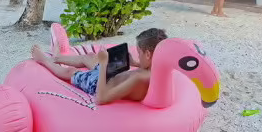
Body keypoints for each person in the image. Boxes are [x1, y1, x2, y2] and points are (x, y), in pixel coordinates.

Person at [31, 28, 168, 105]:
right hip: (112, 74)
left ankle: (44, 60)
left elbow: (101, 98)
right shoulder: (155, 71)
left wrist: (103, 65)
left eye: (139, 53)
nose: (138, 56)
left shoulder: (139, 78)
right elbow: (143, 69)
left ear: (148, 54)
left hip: (98, 84)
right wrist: (135, 63)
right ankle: (57, 57)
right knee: (89, 56)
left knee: (71, 72)